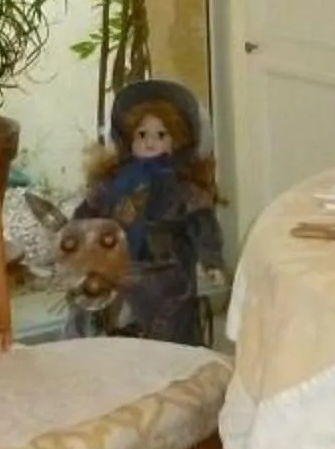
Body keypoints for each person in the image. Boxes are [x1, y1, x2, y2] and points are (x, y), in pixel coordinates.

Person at [70, 79, 225, 346]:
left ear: (178, 140)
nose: (151, 142)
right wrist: (74, 243)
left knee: (169, 333)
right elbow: (88, 214)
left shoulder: (184, 189)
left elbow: (204, 227)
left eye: (161, 135)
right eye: (142, 135)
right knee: (109, 324)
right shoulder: (113, 184)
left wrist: (211, 261)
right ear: (128, 138)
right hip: (116, 269)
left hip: (167, 276)